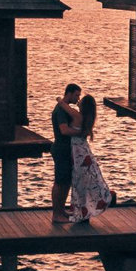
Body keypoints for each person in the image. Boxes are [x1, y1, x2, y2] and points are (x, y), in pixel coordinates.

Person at [68, 94, 116, 224]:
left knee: (79, 183)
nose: (78, 101)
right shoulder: (88, 118)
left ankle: (83, 212)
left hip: (78, 153)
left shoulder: (78, 116)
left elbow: (64, 107)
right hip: (84, 151)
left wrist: (61, 100)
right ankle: (86, 210)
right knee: (85, 182)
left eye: (80, 101)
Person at [50, 82, 81, 224]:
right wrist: (80, 133)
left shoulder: (66, 108)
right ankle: (56, 214)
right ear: (69, 93)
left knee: (66, 181)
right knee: (60, 181)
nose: (78, 98)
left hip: (67, 149)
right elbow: (64, 130)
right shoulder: (61, 111)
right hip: (61, 148)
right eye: (76, 95)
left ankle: (61, 210)